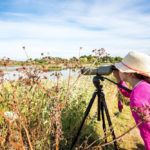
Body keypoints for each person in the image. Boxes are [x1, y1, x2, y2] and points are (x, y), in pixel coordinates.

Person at [113, 51, 150, 150]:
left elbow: (147, 131)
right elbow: (129, 93)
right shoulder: (143, 86)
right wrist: (119, 80)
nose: (118, 71)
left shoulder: (137, 98)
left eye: (121, 69)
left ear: (130, 74)